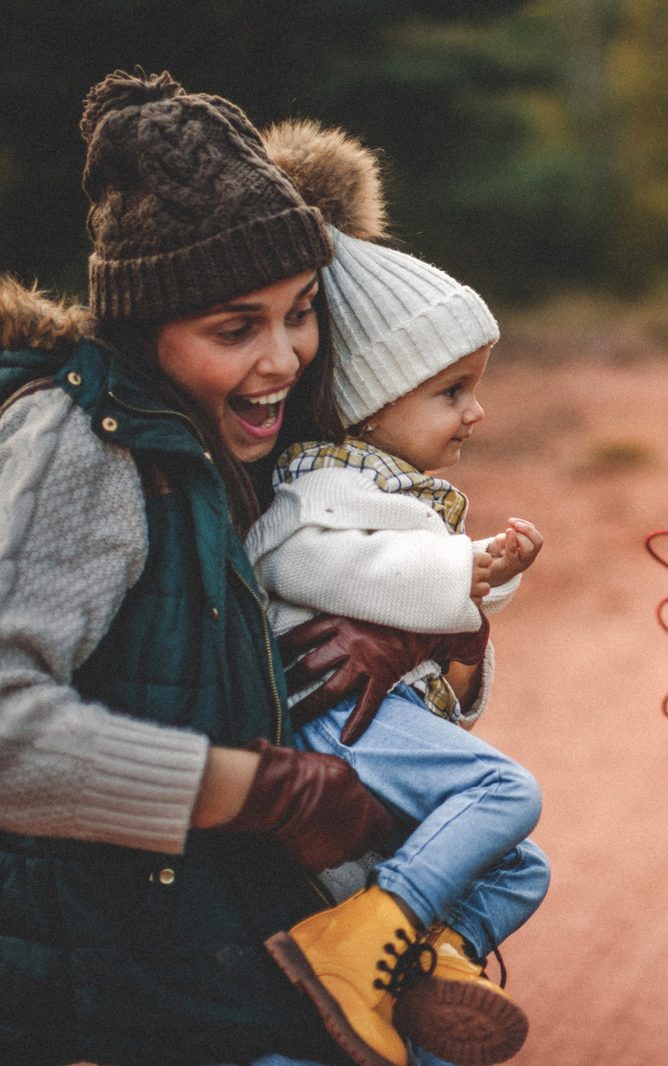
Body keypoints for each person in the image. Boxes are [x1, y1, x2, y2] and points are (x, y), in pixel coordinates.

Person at [0, 71, 398, 1066]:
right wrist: (266, 792)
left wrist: (419, 630)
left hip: (217, 964)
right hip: (108, 1004)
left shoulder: (244, 433)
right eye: (236, 327)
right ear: (147, 328)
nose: (284, 355)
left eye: (301, 310)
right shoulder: (85, 445)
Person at [244, 119, 550, 1066]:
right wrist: (458, 574)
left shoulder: (393, 491)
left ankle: (420, 954)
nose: (476, 411)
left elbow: (431, 635)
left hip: (383, 721)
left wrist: (472, 599)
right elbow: (300, 563)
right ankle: (360, 944)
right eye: (451, 391)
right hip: (333, 722)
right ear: (373, 399)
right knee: (505, 791)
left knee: (522, 867)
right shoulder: (322, 481)